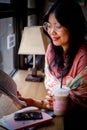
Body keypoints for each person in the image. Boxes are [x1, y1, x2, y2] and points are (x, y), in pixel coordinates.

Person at [18, 0, 87, 129]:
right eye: (48, 25)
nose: (51, 31)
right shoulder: (51, 50)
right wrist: (33, 102)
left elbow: (80, 104)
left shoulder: (84, 57)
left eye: (58, 26)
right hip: (59, 117)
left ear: (73, 25)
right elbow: (56, 102)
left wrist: (56, 103)